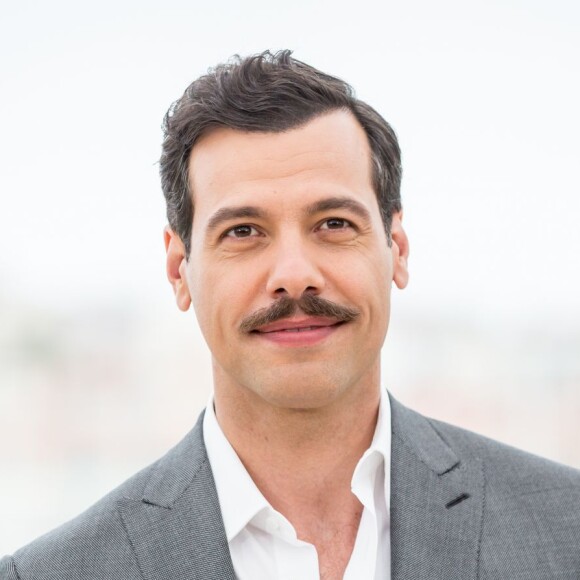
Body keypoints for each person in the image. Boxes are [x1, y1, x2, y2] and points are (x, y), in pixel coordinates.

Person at [2, 50, 579, 580]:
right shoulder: (52, 573)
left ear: (397, 249)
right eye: (244, 231)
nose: (294, 273)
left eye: (333, 224)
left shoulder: (565, 530)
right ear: (180, 270)